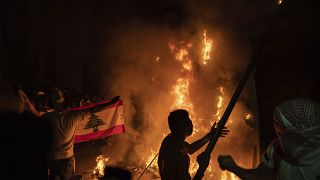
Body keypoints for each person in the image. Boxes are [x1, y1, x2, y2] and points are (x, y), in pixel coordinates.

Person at [218, 98, 320, 180]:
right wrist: (234, 168)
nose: (277, 134)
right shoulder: (277, 149)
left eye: (280, 131)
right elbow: (260, 176)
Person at [42, 87, 120, 180]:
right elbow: (94, 109)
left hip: (54, 157)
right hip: (66, 157)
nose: (58, 93)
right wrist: (111, 103)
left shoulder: (46, 117)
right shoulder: (72, 115)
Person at [158, 109, 229, 180]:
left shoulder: (170, 140)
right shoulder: (179, 158)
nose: (191, 122)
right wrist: (202, 168)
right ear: (184, 127)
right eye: (188, 120)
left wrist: (210, 135)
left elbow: (190, 149)